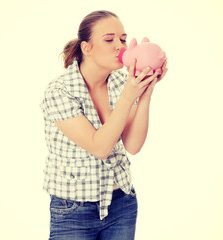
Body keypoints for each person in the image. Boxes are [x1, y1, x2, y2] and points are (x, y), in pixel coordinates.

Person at [40, 10, 167, 240]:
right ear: (86, 48)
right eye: (109, 40)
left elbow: (133, 145)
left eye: (123, 39)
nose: (120, 46)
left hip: (121, 205)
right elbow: (100, 148)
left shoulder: (121, 83)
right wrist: (130, 95)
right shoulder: (59, 92)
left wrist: (146, 92)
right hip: (72, 212)